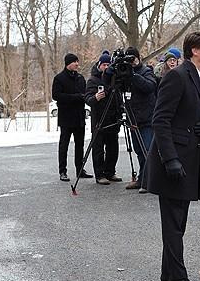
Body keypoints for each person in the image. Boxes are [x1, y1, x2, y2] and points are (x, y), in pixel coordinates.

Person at [143, 31, 200, 281]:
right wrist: (170, 159)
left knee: (178, 223)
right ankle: (178, 280)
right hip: (172, 162)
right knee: (174, 224)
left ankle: (168, 275)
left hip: (188, 159)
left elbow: (196, 117)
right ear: (195, 51)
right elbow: (160, 120)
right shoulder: (176, 76)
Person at [51, 53, 93, 182]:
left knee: (80, 145)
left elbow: (85, 95)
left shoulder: (80, 78)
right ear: (68, 63)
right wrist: (75, 97)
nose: (77, 64)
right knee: (64, 145)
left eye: (77, 62)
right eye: (74, 62)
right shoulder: (59, 78)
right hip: (66, 117)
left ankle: (80, 169)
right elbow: (56, 96)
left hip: (79, 116)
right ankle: (62, 171)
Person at [84, 51, 123, 185]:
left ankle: (110, 171)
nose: (106, 67)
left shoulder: (114, 79)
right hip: (99, 118)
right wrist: (95, 98)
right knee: (99, 149)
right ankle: (100, 174)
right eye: (104, 64)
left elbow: (118, 96)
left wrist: (121, 109)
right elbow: (87, 99)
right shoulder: (93, 80)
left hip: (113, 118)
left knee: (113, 148)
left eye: (108, 64)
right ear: (99, 65)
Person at [122, 47, 158, 192]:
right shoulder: (125, 72)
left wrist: (133, 75)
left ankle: (148, 181)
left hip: (147, 118)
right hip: (133, 117)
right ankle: (142, 178)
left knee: (147, 150)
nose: (132, 62)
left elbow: (149, 87)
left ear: (139, 58)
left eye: (134, 59)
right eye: (129, 59)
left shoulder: (146, 71)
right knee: (138, 150)